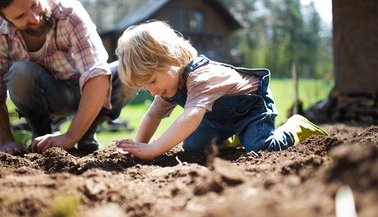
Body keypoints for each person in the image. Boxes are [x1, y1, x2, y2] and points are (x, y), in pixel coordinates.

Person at [115, 20, 328, 160]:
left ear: (171, 60)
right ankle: (233, 134)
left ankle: (296, 126)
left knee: (262, 148)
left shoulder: (201, 77)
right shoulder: (168, 85)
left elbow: (190, 118)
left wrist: (153, 149)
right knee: (194, 148)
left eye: (152, 81)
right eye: (145, 88)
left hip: (251, 108)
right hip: (216, 118)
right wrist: (137, 147)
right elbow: (153, 116)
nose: (152, 91)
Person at [0, 0, 137, 155]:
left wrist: (70, 137)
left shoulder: (69, 13)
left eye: (34, 4)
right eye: (21, 16)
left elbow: (97, 75)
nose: (35, 18)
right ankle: (42, 134)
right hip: (50, 97)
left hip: (89, 92)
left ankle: (87, 133)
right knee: (20, 73)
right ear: (5, 18)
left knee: (130, 69)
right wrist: (6, 141)